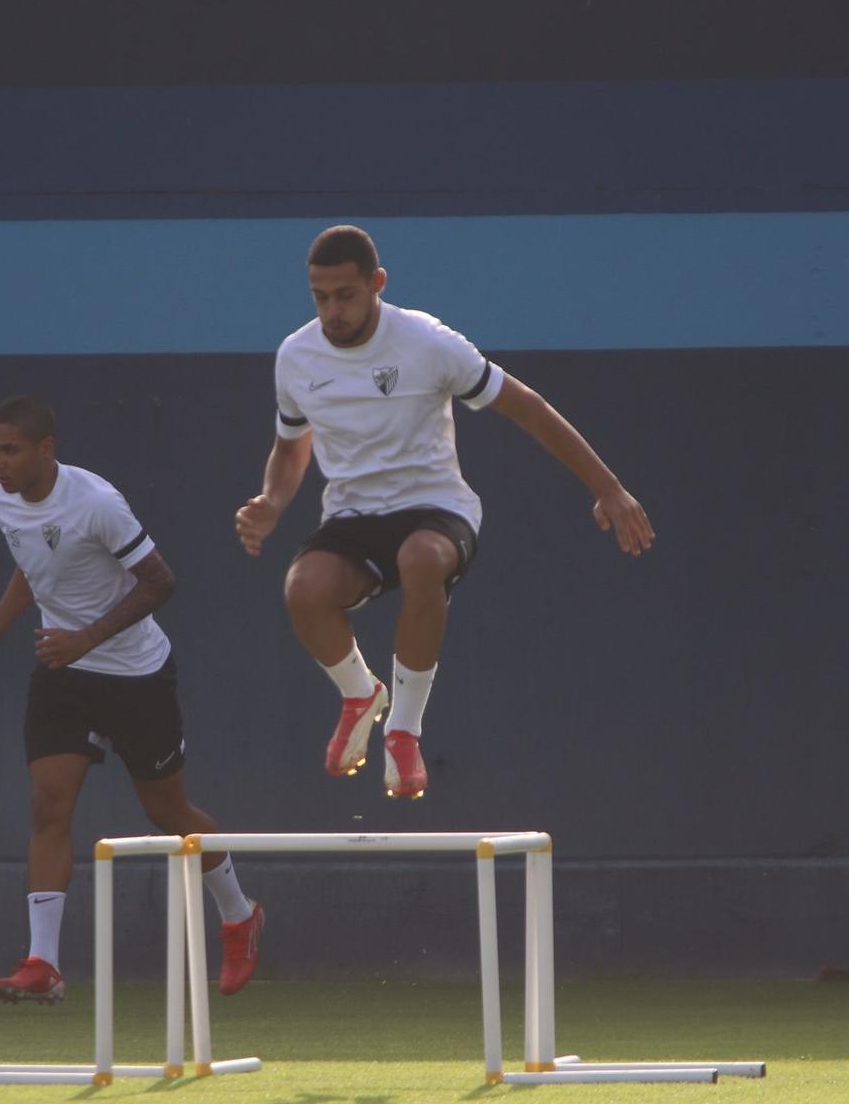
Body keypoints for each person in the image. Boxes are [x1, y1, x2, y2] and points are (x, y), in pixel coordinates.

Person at [235, 225, 654, 799]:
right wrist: (273, 502)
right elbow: (291, 444)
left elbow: (527, 408)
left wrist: (608, 488)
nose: (333, 310)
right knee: (303, 589)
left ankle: (404, 729)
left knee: (421, 559)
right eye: (321, 297)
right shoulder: (296, 356)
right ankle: (361, 694)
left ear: (377, 284)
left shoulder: (429, 343)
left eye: (346, 295)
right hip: (353, 518)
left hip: (436, 510)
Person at [0, 395, 262, 1003]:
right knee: (48, 806)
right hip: (62, 674)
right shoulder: (2, 502)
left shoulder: (97, 504)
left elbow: (161, 581)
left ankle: (238, 913)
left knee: (167, 814)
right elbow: (31, 567)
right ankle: (43, 964)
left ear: (46, 449)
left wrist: (86, 638)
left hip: (135, 674)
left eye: (10, 450)